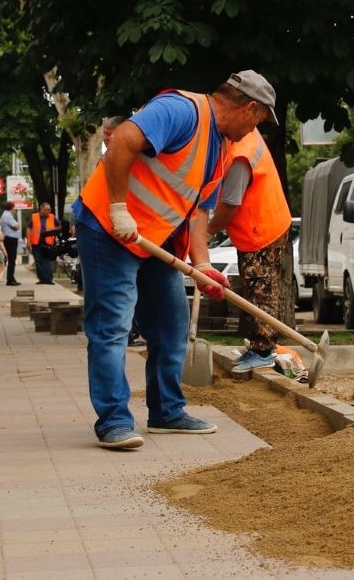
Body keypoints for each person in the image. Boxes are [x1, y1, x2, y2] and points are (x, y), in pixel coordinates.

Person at [73, 70, 277, 450]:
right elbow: (122, 142)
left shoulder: (220, 148)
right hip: (108, 227)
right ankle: (114, 420)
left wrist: (201, 265)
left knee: (171, 325)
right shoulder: (181, 110)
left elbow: (198, 211)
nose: (254, 131)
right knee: (112, 325)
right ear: (249, 107)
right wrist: (119, 209)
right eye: (258, 121)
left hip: (155, 240)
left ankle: (167, 411)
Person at [207, 128, 293, 374]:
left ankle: (263, 350)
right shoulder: (247, 134)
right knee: (257, 289)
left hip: (260, 229)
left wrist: (207, 231)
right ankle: (259, 343)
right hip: (266, 224)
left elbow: (230, 204)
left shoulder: (240, 155)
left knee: (261, 291)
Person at [104, 114, 144, 347]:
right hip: (114, 238)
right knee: (118, 307)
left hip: (140, 239)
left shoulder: (135, 157)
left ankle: (133, 329)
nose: (109, 140)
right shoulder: (110, 160)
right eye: (105, 136)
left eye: (111, 135)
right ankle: (127, 331)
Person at [28, 203, 60, 284]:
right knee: (38, 261)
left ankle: (49, 279)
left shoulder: (52, 217)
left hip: (48, 242)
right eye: (46, 209)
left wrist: (52, 230)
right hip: (36, 242)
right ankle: (42, 279)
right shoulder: (34, 217)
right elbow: (28, 228)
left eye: (49, 209)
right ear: (41, 209)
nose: (48, 211)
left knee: (47, 261)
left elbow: (59, 226)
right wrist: (28, 242)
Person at [0, 200, 22, 286]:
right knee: (12, 259)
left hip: (9, 238)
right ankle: (10, 279)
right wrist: (17, 225)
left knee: (12, 259)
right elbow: (16, 226)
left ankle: (11, 278)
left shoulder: (5, 215)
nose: (15, 209)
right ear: (12, 208)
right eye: (14, 207)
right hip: (11, 239)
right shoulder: (7, 216)